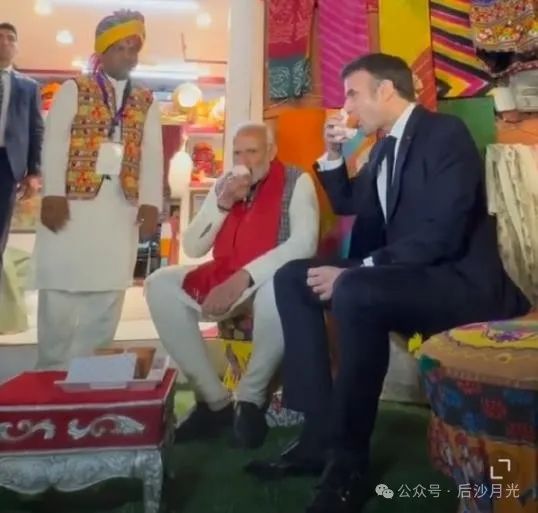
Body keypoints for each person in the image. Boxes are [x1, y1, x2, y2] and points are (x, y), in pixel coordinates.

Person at [246, 53, 530, 512]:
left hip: (458, 283)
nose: (346, 106)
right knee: (292, 277)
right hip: (406, 277)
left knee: (356, 289)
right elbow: (348, 202)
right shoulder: (382, 147)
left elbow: (443, 233)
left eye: (352, 94)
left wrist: (360, 268)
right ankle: (317, 435)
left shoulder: (445, 134)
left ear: (385, 90)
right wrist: (333, 154)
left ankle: (348, 464)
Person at [145, 122, 319, 449]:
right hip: (222, 273)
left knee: (278, 288)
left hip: (266, 279)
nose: (243, 161)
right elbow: (193, 246)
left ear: (271, 152)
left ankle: (250, 400)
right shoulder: (224, 184)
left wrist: (245, 276)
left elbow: (303, 244)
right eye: (237, 153)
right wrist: (222, 203)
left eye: (252, 152)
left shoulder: (298, 181)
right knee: (159, 285)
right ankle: (215, 403)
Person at [33, 10, 163, 369]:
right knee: (60, 290)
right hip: (71, 207)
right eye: (121, 49)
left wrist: (151, 202)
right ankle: (49, 371)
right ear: (102, 52)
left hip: (120, 208)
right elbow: (54, 143)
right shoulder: (74, 89)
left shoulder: (146, 99)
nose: (129, 57)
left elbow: (153, 154)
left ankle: (88, 373)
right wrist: (53, 193)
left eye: (133, 50)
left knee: (108, 292)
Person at [0, 22, 43, 276]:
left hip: (8, 162)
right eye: (0, 36)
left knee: (1, 222)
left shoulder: (29, 87)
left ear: (16, 47)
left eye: (10, 38)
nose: (4, 41)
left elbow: (36, 130)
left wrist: (34, 172)